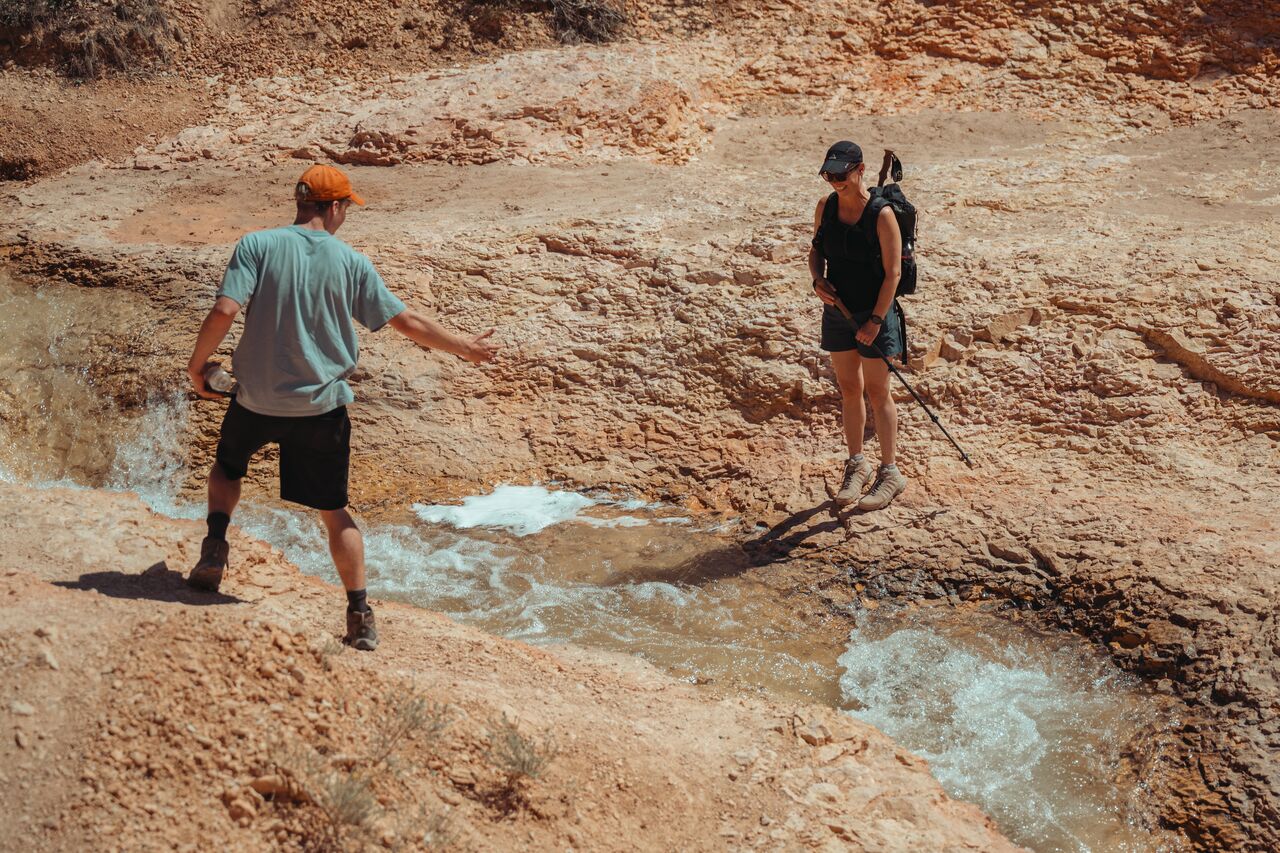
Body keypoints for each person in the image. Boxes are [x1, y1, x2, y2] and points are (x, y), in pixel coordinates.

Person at [184, 164, 500, 651]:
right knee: (334, 511)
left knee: (228, 466)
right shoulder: (351, 261)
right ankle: (358, 613)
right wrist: (464, 347)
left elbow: (225, 310)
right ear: (334, 207)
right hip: (321, 407)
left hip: (255, 397)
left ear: (300, 202)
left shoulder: (256, 245)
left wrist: (198, 364)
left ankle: (215, 542)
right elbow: (407, 321)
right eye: (346, 208)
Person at [807, 141, 908, 511]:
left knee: (878, 391)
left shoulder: (881, 215)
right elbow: (815, 250)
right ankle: (857, 464)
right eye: (828, 175)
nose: (834, 182)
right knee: (850, 387)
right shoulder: (827, 206)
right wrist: (817, 281)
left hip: (874, 314)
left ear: (860, 169)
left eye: (840, 175)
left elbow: (893, 273)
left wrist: (876, 321)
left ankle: (890, 472)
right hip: (838, 313)